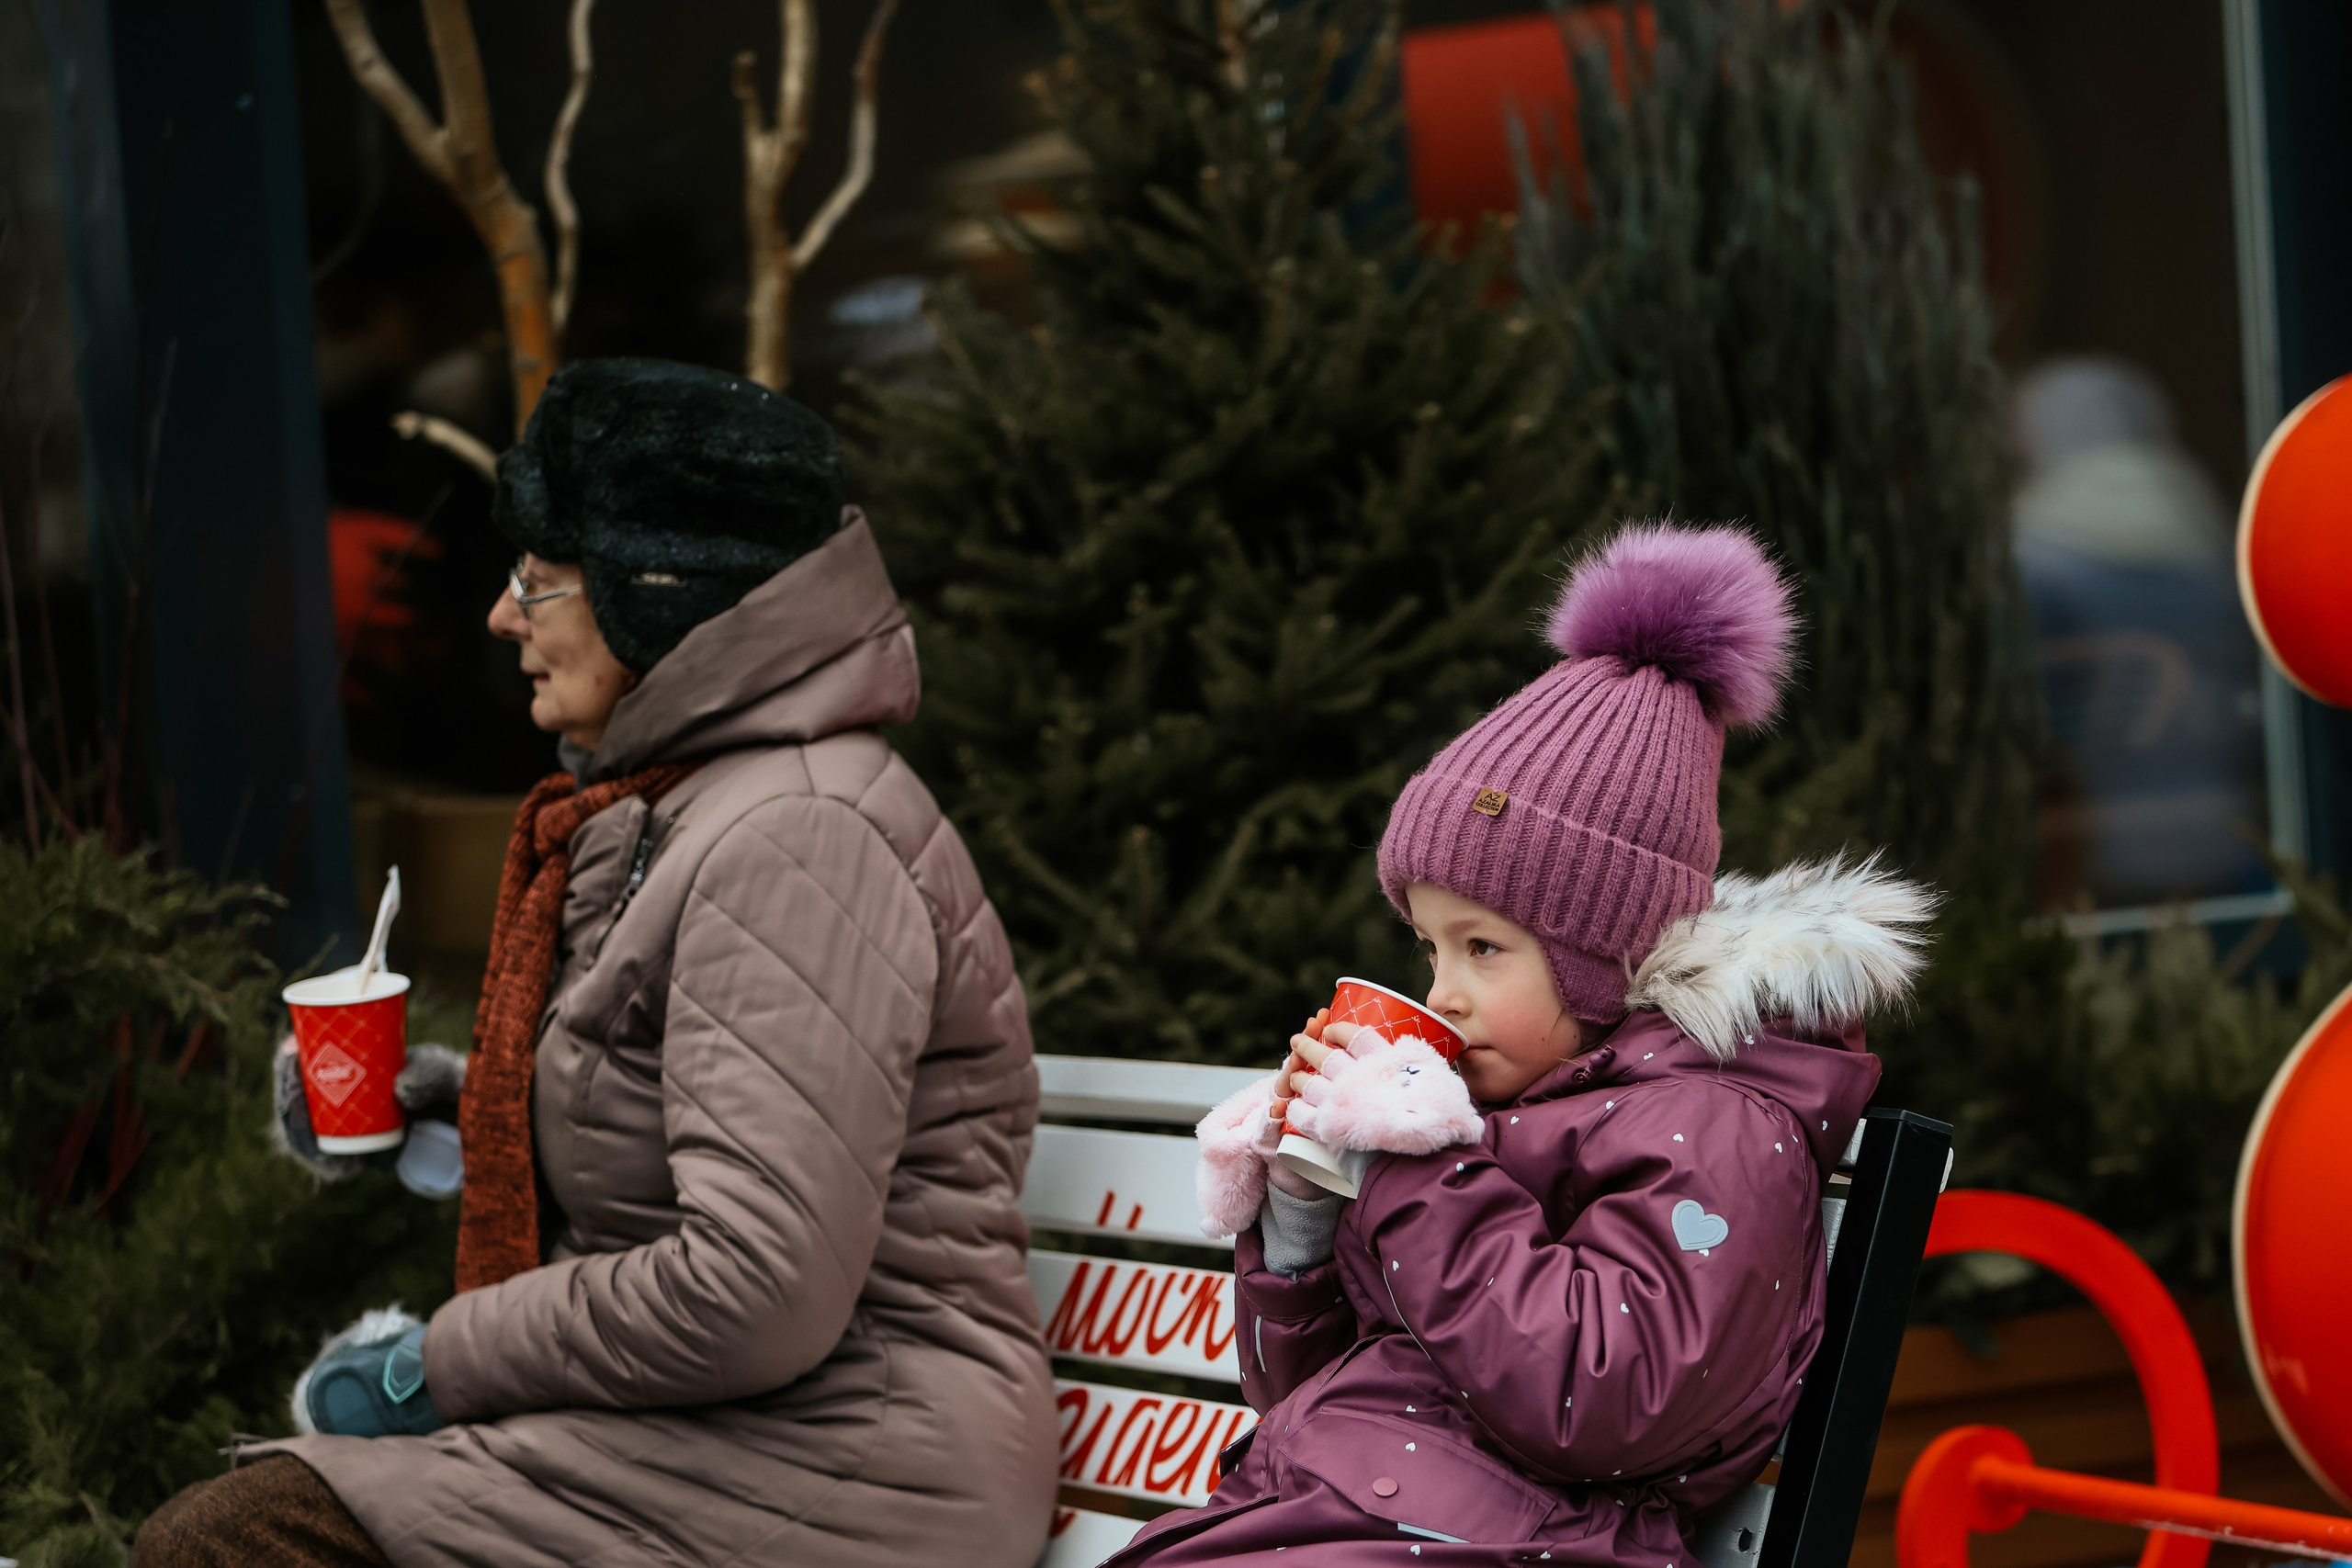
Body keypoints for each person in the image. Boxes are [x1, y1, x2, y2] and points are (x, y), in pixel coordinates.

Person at [135, 358, 1058, 1568]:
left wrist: (440, 1360)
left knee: (240, 1543)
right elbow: (687, 1118)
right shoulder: (688, 806)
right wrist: (440, 1107)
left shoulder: (795, 835)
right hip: (726, 1435)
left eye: (539, 578)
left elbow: (751, 1287)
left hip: (848, 1462)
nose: (502, 616)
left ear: (660, 596)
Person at [1146, 523, 1935, 1567]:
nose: (1446, 996)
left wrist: (1421, 1180)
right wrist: (1301, 1222)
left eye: (1484, 949)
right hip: (1354, 1521)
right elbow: (1320, 1399)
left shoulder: (1715, 1129)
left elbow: (1600, 1397)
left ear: (1603, 958)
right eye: (1429, 949)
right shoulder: (1517, 1105)